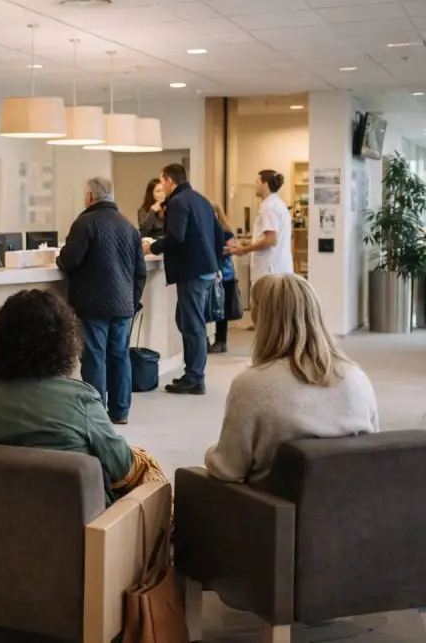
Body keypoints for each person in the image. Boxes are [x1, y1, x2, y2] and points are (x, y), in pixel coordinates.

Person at [0, 289, 166, 507]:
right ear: (64, 342)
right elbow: (123, 466)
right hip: (81, 528)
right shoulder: (81, 399)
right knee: (145, 469)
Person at [205, 274, 378, 486]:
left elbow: (227, 469)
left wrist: (211, 454)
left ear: (261, 320)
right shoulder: (356, 377)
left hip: (272, 511)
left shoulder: (251, 385)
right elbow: (373, 449)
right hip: (349, 505)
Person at [57, 177, 147, 425]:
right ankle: (120, 411)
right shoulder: (129, 227)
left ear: (89, 197)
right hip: (122, 306)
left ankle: (96, 413)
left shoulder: (84, 223)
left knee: (95, 356)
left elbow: (69, 261)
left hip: (92, 304)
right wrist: (132, 301)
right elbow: (140, 271)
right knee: (119, 356)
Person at [144, 164, 224, 395]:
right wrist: (216, 263)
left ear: (169, 181)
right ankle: (192, 373)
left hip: (192, 270)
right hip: (205, 269)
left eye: (162, 183)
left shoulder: (178, 202)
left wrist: (153, 247)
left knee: (193, 324)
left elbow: (176, 237)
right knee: (186, 320)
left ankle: (195, 378)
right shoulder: (201, 199)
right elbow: (220, 235)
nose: (161, 188)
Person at [227, 170, 293, 282]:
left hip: (270, 272)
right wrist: (252, 241)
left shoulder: (269, 207)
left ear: (265, 184)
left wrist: (244, 250)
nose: (255, 186)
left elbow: (270, 240)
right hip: (277, 270)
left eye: (257, 182)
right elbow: (270, 237)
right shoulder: (278, 204)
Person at [210, 204, 237, 354]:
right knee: (210, 308)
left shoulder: (226, 232)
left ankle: (221, 340)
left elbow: (230, 249)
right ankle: (210, 339)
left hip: (224, 275)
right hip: (211, 274)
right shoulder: (206, 230)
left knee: (222, 310)